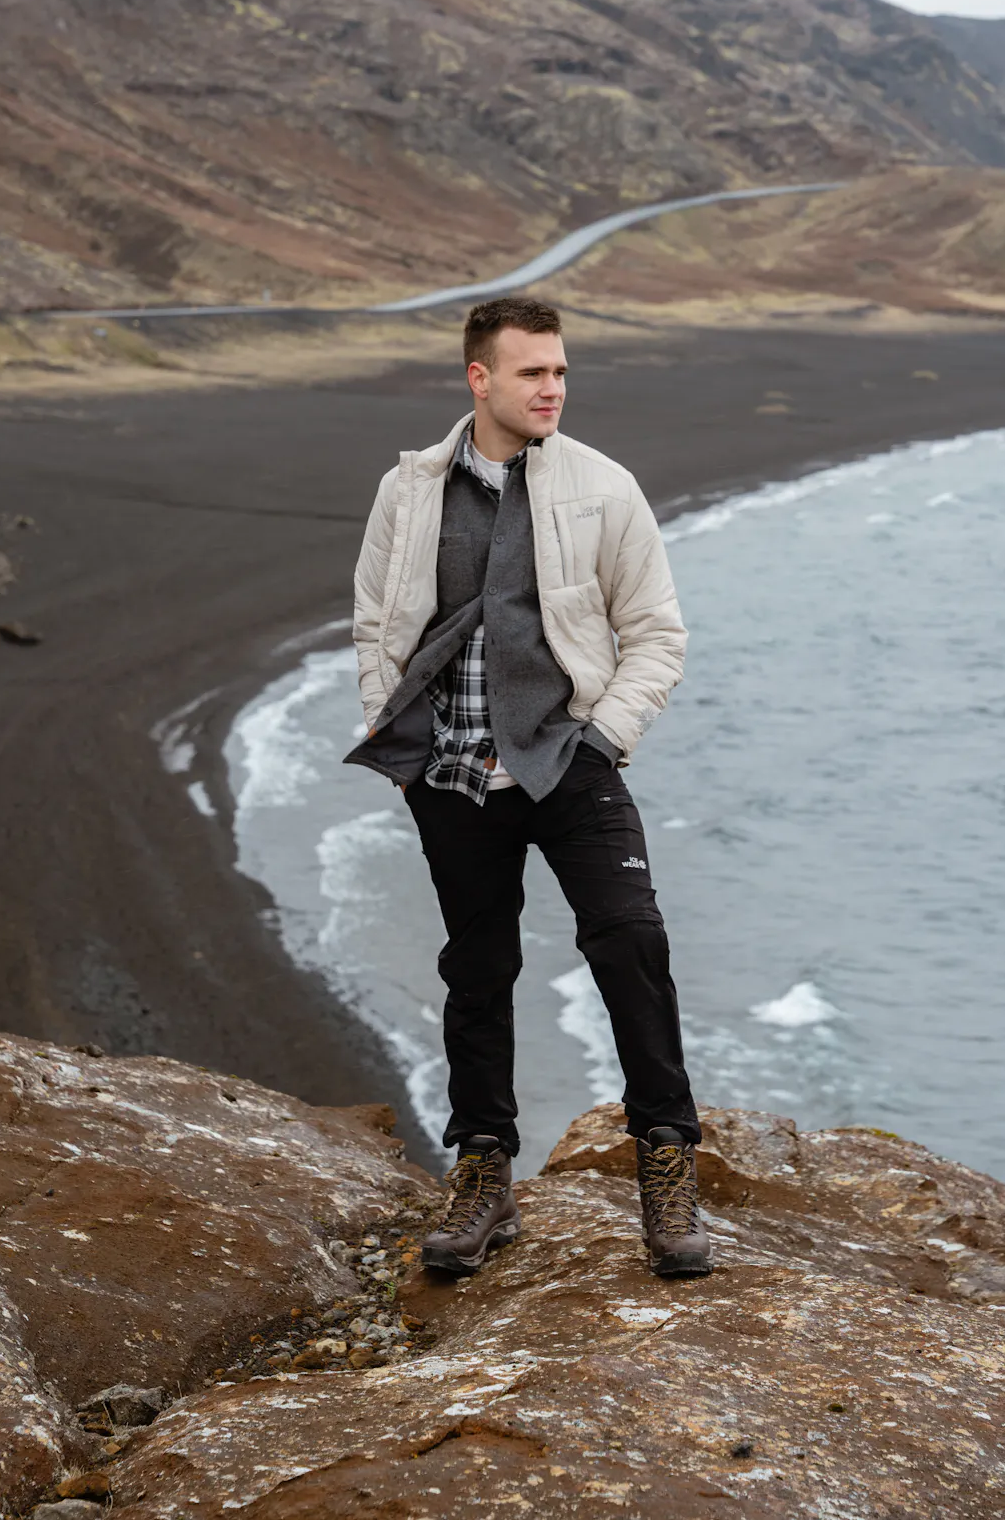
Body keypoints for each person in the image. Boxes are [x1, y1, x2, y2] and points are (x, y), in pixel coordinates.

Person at [346, 294, 709, 1279]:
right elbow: (377, 614)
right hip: (453, 769)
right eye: (531, 373)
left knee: (631, 936)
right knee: (478, 964)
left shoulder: (604, 488)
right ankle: (484, 1172)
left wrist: (603, 738)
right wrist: (397, 735)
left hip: (570, 761)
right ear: (480, 379)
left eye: (559, 371)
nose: (552, 388)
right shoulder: (411, 488)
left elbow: (658, 631)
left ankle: (668, 1166)